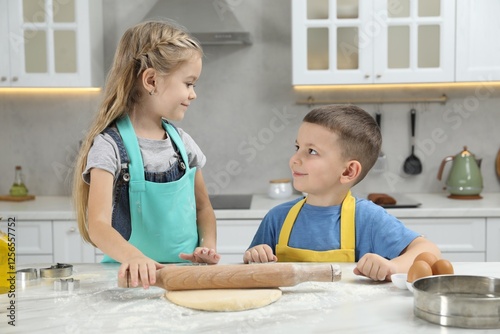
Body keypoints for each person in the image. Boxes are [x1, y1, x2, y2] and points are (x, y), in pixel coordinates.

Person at [73, 20, 220, 289]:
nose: (193, 94)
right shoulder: (110, 147)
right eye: (188, 83)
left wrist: (207, 248)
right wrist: (134, 258)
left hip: (183, 278)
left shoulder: (183, 144)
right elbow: (97, 224)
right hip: (128, 282)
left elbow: (204, 208)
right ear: (151, 80)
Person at [243, 105, 441, 281]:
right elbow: (252, 273)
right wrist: (254, 256)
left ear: (348, 171)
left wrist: (392, 266)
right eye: (297, 147)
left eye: (311, 151)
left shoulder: (367, 219)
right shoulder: (277, 218)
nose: (294, 158)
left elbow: (429, 250)